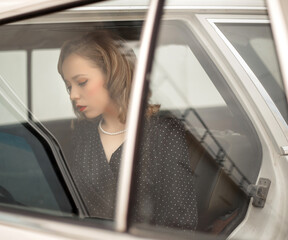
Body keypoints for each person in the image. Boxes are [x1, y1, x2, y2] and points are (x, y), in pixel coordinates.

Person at [57, 31, 197, 230]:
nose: (72, 95)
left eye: (81, 82)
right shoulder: (83, 134)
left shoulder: (164, 135)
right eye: (68, 85)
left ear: (113, 75)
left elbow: (179, 225)